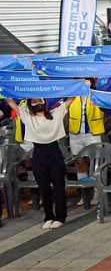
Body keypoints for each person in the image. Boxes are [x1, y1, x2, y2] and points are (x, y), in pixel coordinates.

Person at [8, 96, 72, 229]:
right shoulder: (28, 117)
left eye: (40, 100)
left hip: (55, 152)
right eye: (34, 101)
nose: (37, 103)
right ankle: (48, 216)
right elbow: (12, 104)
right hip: (38, 153)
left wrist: (79, 86)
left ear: (45, 102)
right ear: (30, 104)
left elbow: (69, 100)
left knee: (59, 186)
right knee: (44, 187)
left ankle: (60, 217)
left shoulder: (56, 113)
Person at [67, 78, 105, 204]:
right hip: (76, 134)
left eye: (85, 80)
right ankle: (85, 194)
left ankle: (97, 193)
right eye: (79, 80)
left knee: (96, 164)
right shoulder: (72, 96)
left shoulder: (96, 94)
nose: (83, 82)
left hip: (93, 133)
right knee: (79, 163)